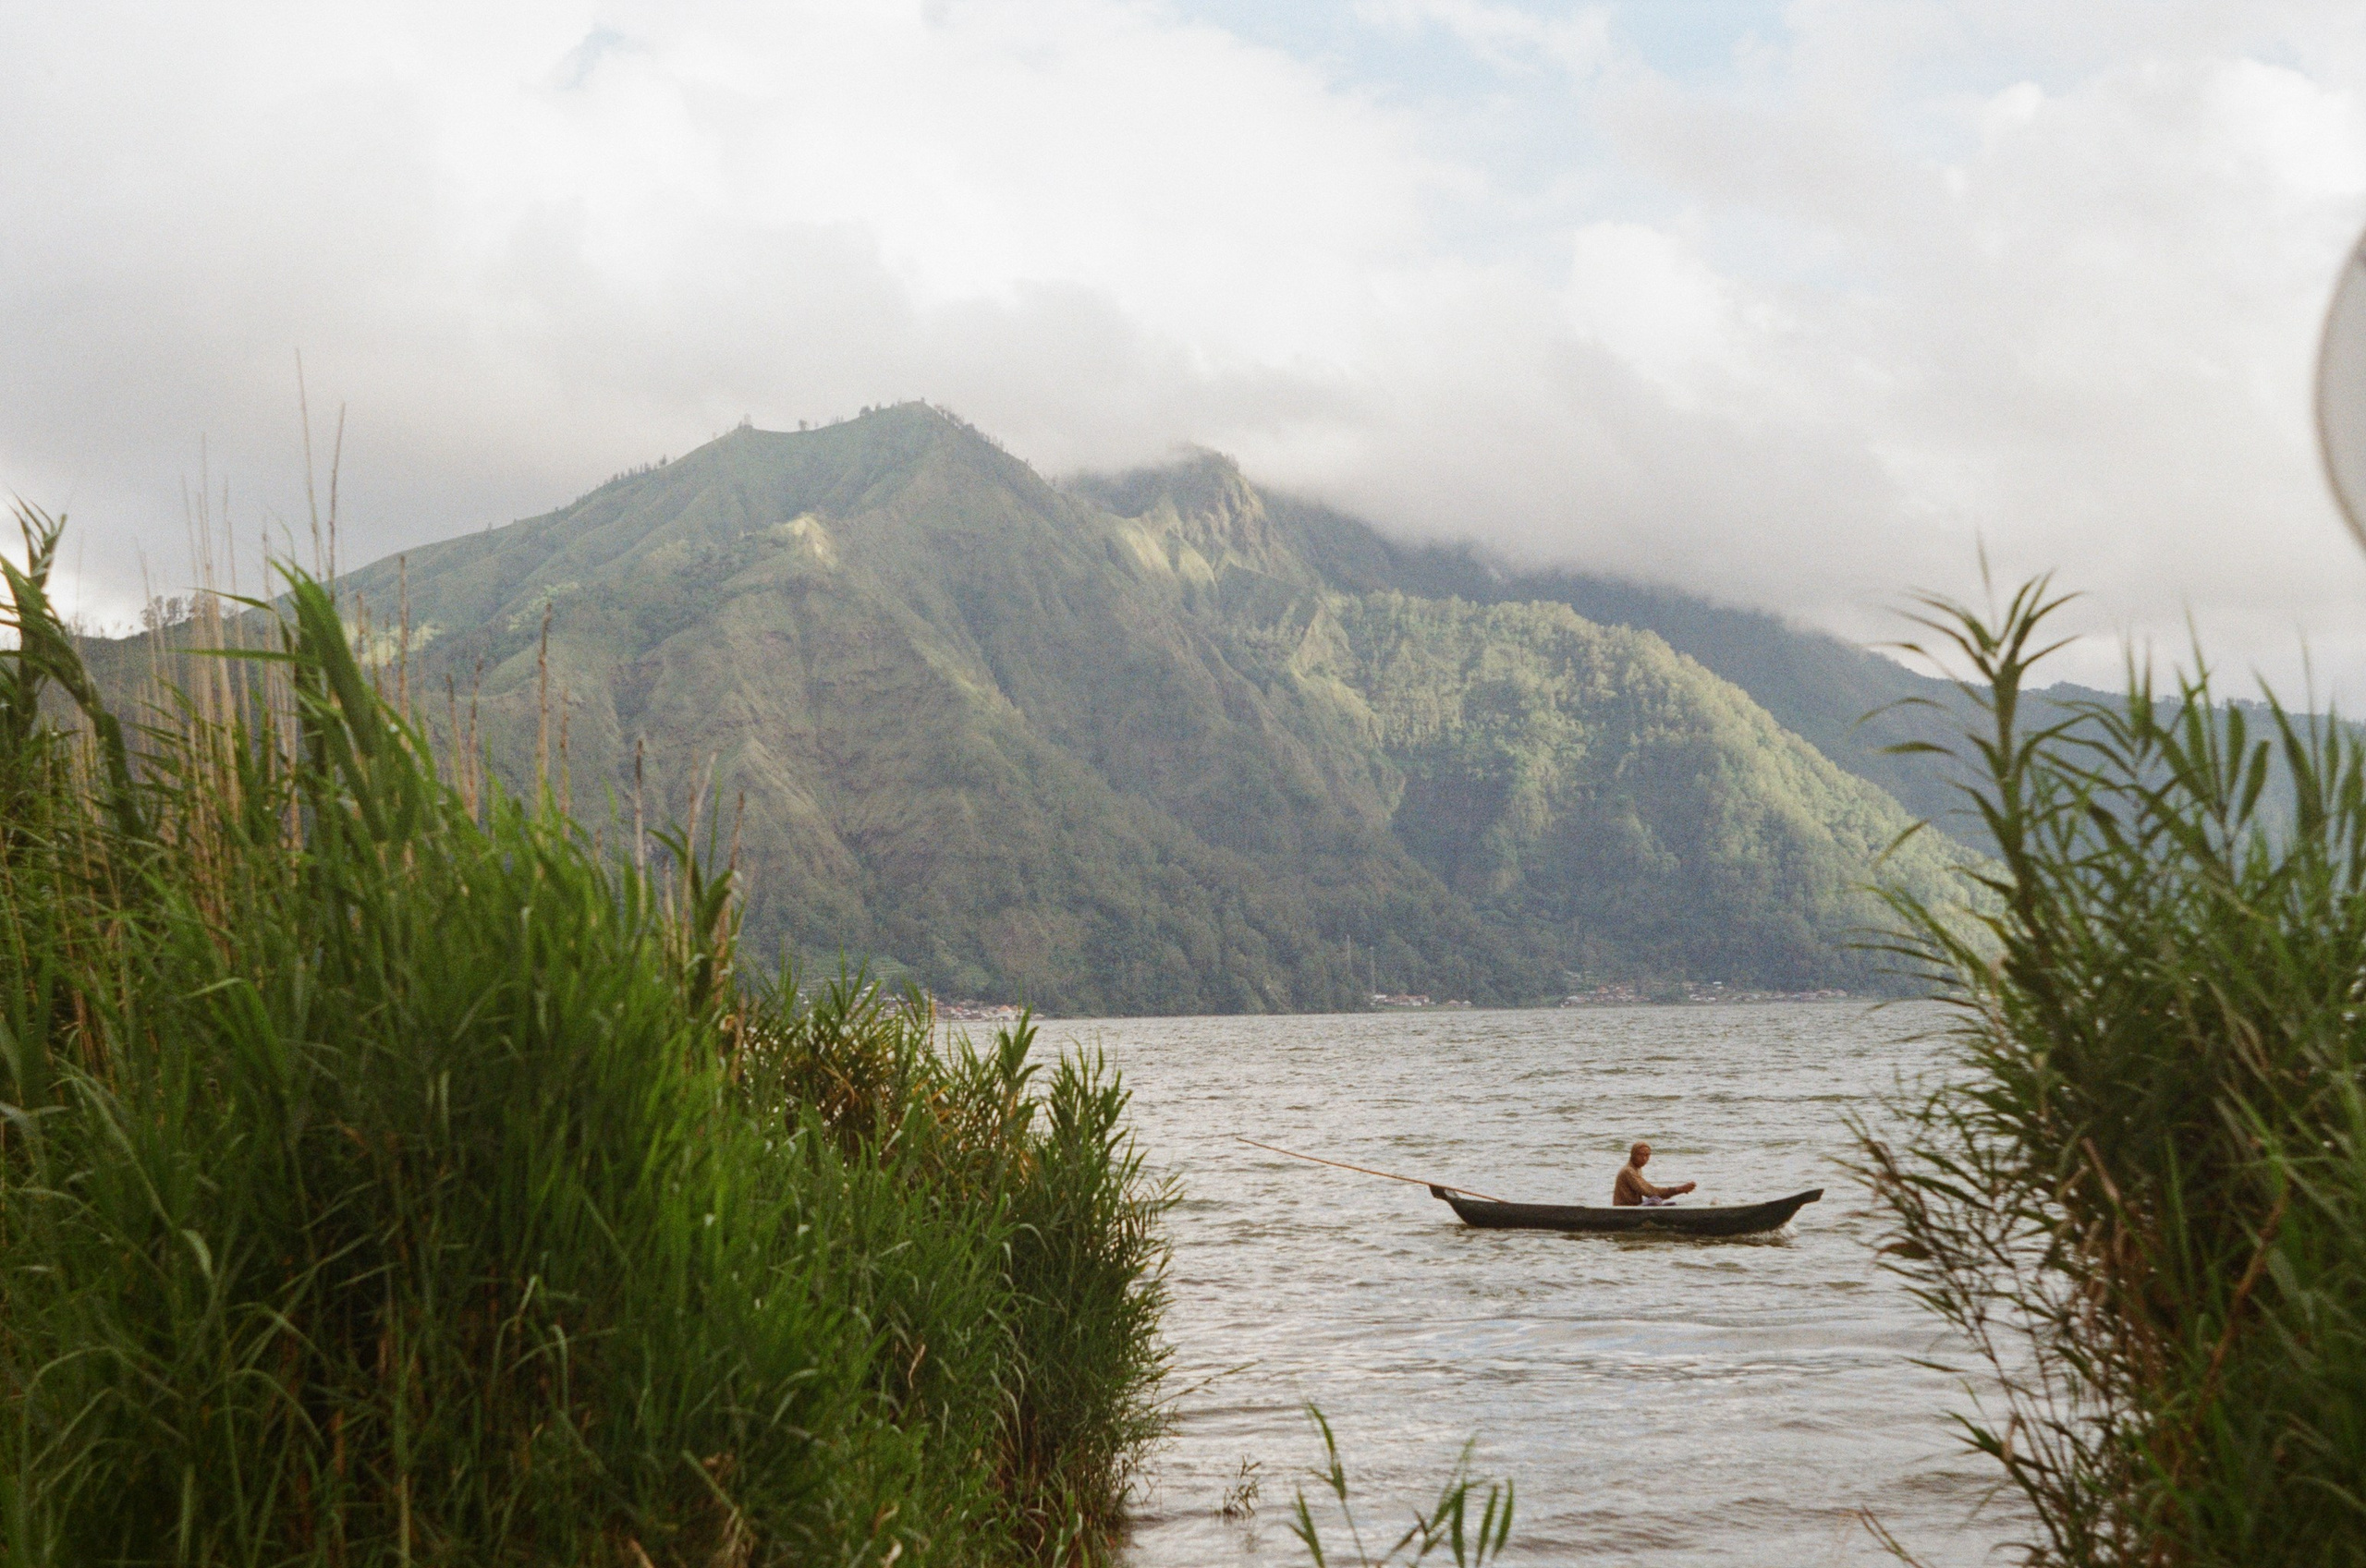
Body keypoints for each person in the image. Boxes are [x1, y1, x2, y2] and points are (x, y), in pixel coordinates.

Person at [1613, 1140, 1696, 1207]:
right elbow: (1650, 1192)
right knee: (1655, 1200)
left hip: (1635, 1207)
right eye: (1641, 1155)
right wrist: (1679, 1189)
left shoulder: (1637, 1169)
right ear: (1633, 1155)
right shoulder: (1628, 1171)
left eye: (1647, 1155)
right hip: (1626, 1209)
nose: (1644, 1158)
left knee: (1671, 1204)